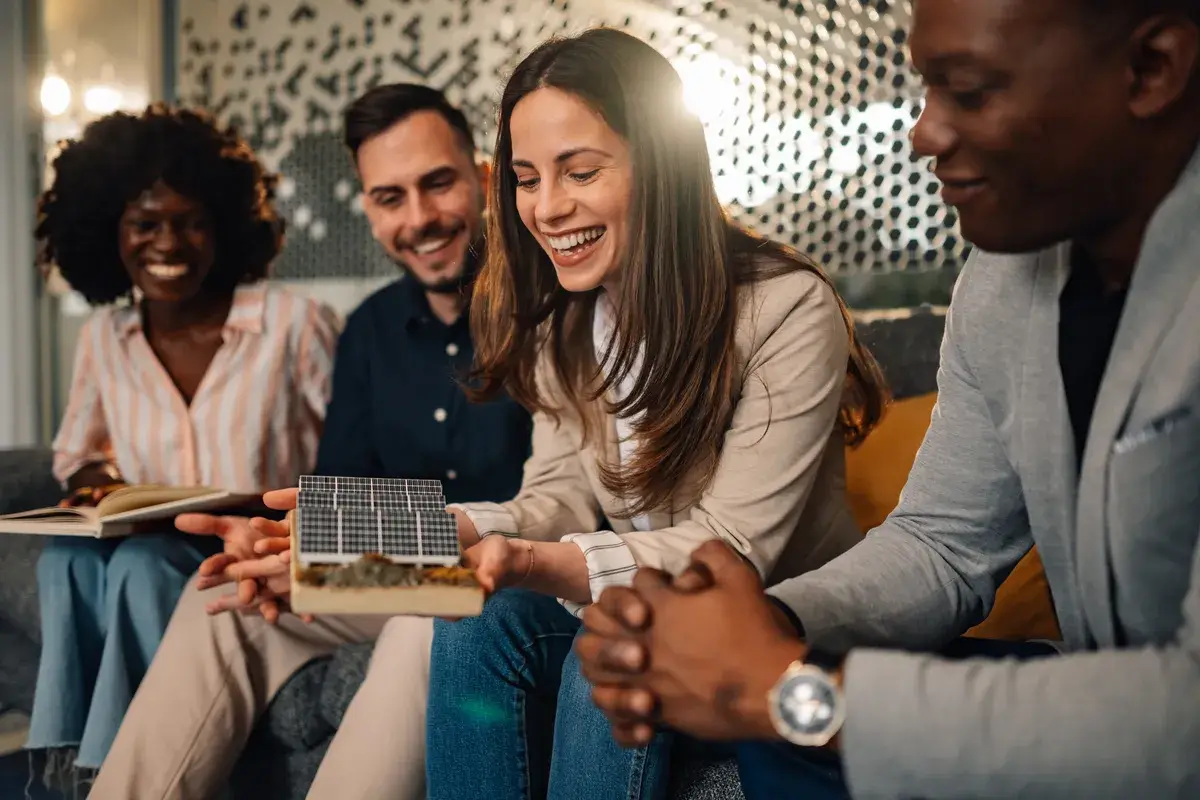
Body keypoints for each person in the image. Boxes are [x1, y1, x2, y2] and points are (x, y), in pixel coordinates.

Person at [576, 1, 1200, 797]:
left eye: (969, 92)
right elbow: (942, 545)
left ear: (1151, 70)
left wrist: (785, 693)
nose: (922, 133)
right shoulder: (1004, 280)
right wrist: (763, 626)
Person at [422, 28, 890, 800]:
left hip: (772, 626)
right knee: (474, 618)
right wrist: (446, 531)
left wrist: (533, 561)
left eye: (581, 171)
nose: (547, 208)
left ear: (663, 164)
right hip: (646, 606)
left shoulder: (785, 307)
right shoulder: (564, 322)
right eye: (527, 179)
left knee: (609, 651)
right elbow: (559, 496)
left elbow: (733, 546)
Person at [90, 85, 533, 799]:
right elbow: (342, 495)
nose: (418, 218)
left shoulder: (549, 310)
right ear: (369, 210)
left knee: (423, 625)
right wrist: (280, 543)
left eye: (437, 184)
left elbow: (561, 503)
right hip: (400, 570)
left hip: (507, 577)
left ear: (483, 179)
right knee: (225, 601)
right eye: (390, 197)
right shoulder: (369, 331)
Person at [25, 105, 339, 778]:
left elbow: (353, 450)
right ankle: (68, 765)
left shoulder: (292, 324)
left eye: (190, 221)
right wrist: (101, 490)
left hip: (254, 541)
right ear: (108, 232)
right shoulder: (104, 340)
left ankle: (114, 773)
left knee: (140, 569)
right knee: (63, 561)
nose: (168, 243)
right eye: (145, 224)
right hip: (152, 535)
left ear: (223, 226)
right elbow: (78, 455)